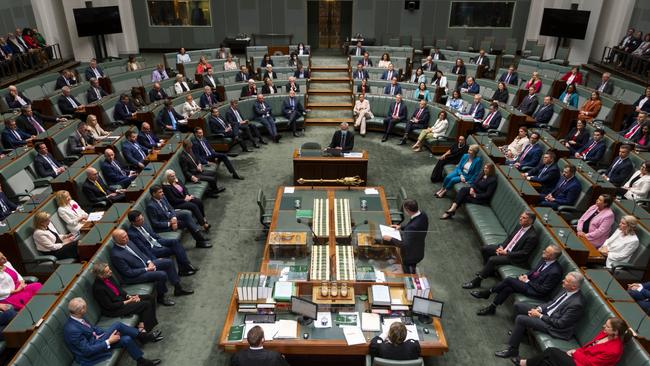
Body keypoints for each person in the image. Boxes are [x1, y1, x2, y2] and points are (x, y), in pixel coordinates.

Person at [495, 272, 585, 359]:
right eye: (565, 279)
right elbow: (552, 303)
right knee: (519, 305)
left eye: (566, 281)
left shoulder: (577, 304)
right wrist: (539, 309)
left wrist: (539, 315)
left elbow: (560, 324)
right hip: (548, 315)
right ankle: (522, 333)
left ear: (574, 286)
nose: (563, 281)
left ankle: (512, 350)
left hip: (556, 328)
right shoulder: (566, 289)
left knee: (521, 319)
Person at [63, 297, 161, 366]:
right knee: (117, 325)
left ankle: (142, 362)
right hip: (91, 352)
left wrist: (105, 334)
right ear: (81, 310)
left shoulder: (78, 317)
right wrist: (109, 341)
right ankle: (144, 336)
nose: (87, 309)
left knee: (126, 339)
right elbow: (87, 351)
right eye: (85, 307)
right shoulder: (72, 330)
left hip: (98, 340)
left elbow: (93, 329)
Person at [110, 229, 193, 307]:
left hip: (145, 266)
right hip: (134, 276)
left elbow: (141, 254)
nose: (126, 238)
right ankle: (161, 297)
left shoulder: (129, 242)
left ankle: (178, 288)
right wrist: (146, 269)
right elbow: (128, 272)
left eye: (126, 235)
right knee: (161, 274)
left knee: (168, 262)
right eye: (123, 237)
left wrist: (149, 262)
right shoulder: (116, 255)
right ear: (116, 240)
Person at [475, 244, 561, 316]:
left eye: (546, 252)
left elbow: (543, 290)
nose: (543, 252)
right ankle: (492, 308)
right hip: (528, 283)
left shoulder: (555, 272)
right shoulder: (544, 258)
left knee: (508, 280)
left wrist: (528, 281)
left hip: (536, 292)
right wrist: (524, 276)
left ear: (551, 256)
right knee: (508, 288)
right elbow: (534, 271)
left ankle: (488, 292)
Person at [463, 211, 539, 289]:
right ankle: (490, 271)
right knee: (485, 249)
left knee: (492, 260)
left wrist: (506, 253)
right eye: (521, 216)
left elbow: (524, 253)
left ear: (530, 221)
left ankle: (477, 282)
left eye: (524, 218)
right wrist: (502, 247)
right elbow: (510, 238)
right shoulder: (519, 226)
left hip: (514, 257)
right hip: (506, 249)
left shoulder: (532, 236)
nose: (520, 219)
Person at [516, 317, 627, 366]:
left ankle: (525, 363)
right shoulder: (605, 333)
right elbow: (587, 348)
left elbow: (591, 364)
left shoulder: (614, 350)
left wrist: (575, 353)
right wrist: (576, 351)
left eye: (607, 326)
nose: (603, 327)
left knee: (551, 352)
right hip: (579, 359)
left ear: (616, 332)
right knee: (547, 362)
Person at [91, 262, 160, 333]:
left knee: (149, 297)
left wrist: (129, 296)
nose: (110, 272)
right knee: (146, 304)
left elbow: (119, 289)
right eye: (107, 271)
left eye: (109, 270)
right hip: (114, 309)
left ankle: (142, 323)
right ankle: (144, 330)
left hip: (121, 299)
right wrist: (129, 301)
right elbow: (110, 306)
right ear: (101, 275)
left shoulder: (109, 276)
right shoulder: (98, 288)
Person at [127, 210, 200, 276]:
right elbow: (142, 249)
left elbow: (152, 234)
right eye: (139, 220)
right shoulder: (132, 234)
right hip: (152, 249)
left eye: (142, 218)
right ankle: (185, 267)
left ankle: (185, 267)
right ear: (133, 222)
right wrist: (154, 259)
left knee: (175, 242)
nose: (142, 220)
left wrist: (161, 240)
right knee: (176, 249)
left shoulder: (143, 223)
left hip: (157, 241)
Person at [146, 186, 211, 248]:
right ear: (154, 194)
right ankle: (200, 240)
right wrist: (170, 223)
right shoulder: (151, 206)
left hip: (170, 217)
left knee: (186, 214)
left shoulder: (163, 197)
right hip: (165, 224)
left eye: (162, 191)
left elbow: (171, 208)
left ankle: (200, 239)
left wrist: (173, 218)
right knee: (187, 223)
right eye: (160, 192)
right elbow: (155, 223)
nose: (162, 193)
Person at [382, 199, 429, 274]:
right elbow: (413, 226)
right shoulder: (423, 215)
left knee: (407, 272)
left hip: (410, 255)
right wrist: (401, 227)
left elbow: (404, 244)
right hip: (418, 250)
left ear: (407, 210)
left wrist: (390, 238)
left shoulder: (413, 227)